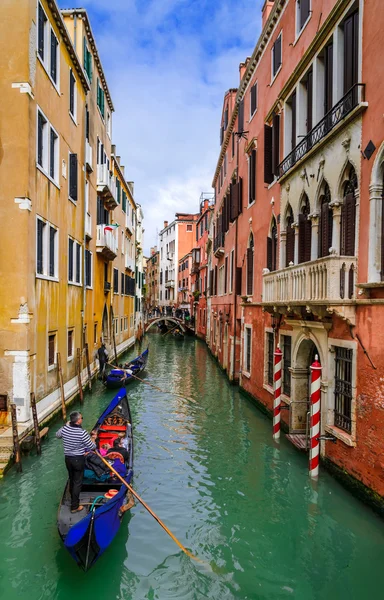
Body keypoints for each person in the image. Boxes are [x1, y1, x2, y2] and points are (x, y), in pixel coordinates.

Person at [56, 411, 96, 513]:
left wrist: (66, 424)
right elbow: (92, 447)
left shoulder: (65, 429)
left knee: (71, 478)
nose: (82, 419)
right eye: (82, 418)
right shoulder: (82, 433)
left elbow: (57, 435)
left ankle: (72, 499)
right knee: (77, 482)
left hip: (68, 459)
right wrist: (93, 439)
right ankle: (74, 506)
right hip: (78, 459)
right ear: (78, 421)